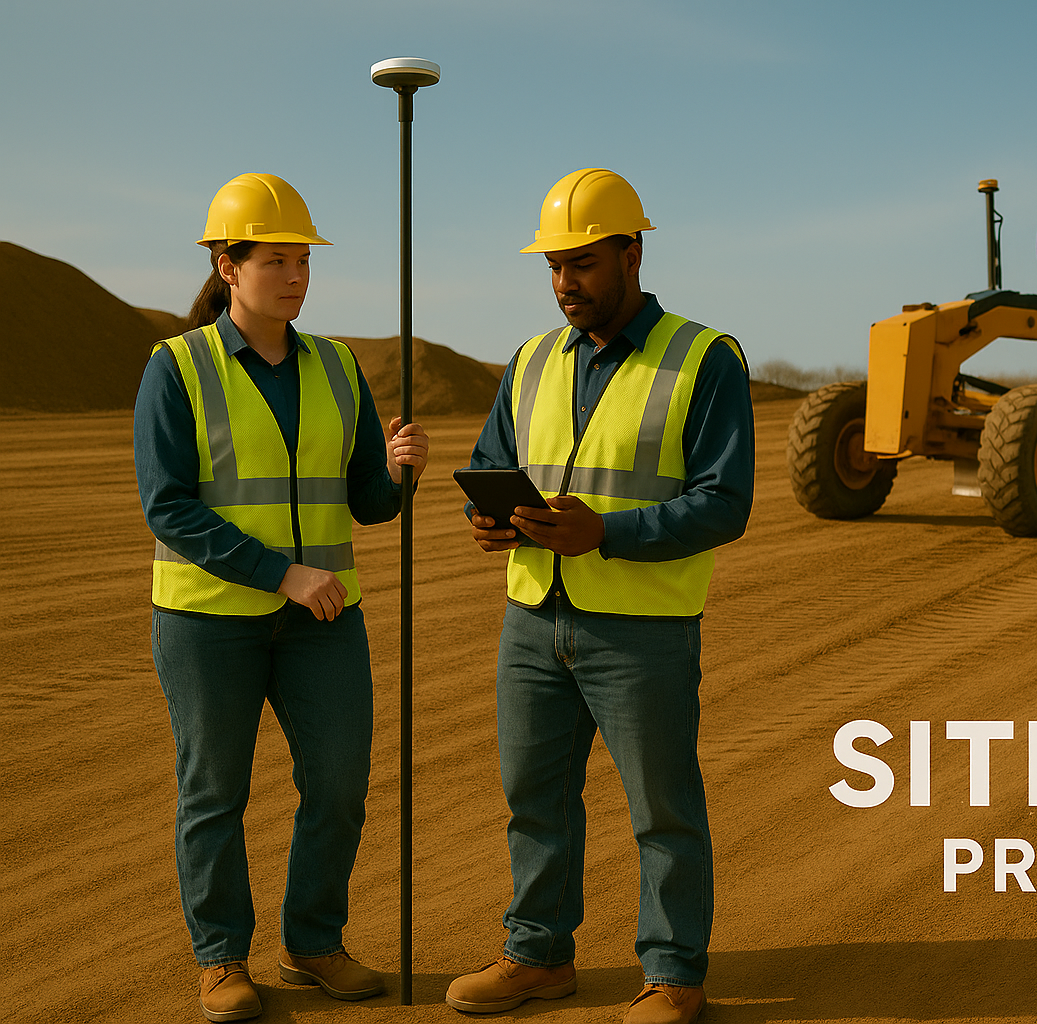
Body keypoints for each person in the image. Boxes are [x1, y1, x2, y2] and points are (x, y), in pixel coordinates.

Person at [446, 168, 753, 1024]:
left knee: (663, 811)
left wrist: (608, 533)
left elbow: (726, 503)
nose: (564, 284)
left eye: (581, 263)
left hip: (643, 631)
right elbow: (492, 460)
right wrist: (491, 519)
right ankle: (537, 956)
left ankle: (674, 974)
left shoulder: (704, 358)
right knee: (534, 798)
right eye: (552, 266)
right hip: (532, 619)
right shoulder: (533, 359)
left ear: (632, 253)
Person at [133, 172, 429, 1022]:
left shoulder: (337, 366)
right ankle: (222, 960)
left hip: (325, 621)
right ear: (227, 266)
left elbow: (366, 502)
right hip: (206, 621)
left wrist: (398, 472)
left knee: (338, 783)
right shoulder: (177, 367)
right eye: (275, 260)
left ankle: (312, 942)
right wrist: (282, 575)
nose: (295, 277)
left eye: (303, 261)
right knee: (214, 792)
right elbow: (168, 505)